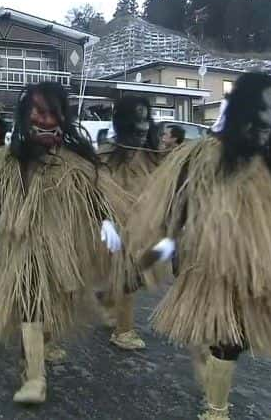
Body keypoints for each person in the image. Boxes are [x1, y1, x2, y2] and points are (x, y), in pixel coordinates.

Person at [129, 73, 271, 420]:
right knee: (224, 339)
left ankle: (211, 379)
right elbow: (175, 210)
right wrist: (165, 248)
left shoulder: (268, 165)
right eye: (260, 108)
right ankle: (217, 411)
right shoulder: (200, 156)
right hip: (205, 266)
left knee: (230, 339)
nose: (268, 118)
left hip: (250, 270)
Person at [0, 82, 127, 404]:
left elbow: (93, 196)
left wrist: (106, 220)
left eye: (52, 113)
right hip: (22, 250)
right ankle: (36, 379)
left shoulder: (74, 164)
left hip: (61, 251)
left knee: (49, 310)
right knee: (29, 302)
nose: (44, 120)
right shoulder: (8, 163)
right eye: (38, 112)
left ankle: (34, 357)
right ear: (25, 115)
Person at [96, 96, 165, 351]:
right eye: (136, 123)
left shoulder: (152, 156)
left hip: (143, 228)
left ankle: (105, 297)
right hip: (113, 228)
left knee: (139, 273)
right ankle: (123, 330)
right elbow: (95, 191)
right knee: (129, 276)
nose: (143, 127)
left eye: (146, 119)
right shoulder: (104, 156)